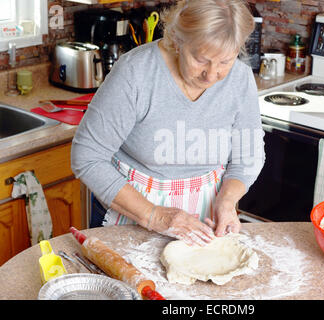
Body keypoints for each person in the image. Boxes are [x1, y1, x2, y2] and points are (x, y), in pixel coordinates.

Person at [71, 0, 265, 246]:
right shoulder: (136, 72)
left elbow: (248, 157)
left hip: (204, 218)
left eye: (225, 61)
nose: (212, 74)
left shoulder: (240, 78)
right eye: (201, 59)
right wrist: (154, 215)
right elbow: (87, 156)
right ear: (177, 40)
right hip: (131, 213)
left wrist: (226, 202)